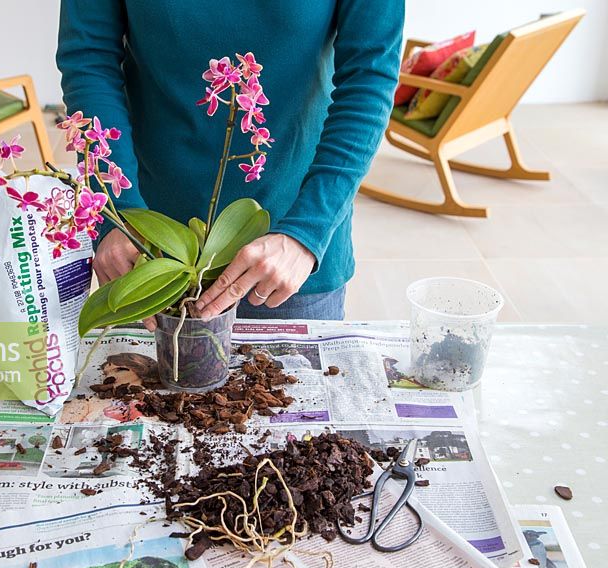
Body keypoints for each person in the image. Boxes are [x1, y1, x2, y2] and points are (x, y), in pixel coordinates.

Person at [58, 1, 403, 325]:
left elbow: (368, 79)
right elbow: (90, 60)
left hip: (288, 253)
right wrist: (118, 214)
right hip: (146, 248)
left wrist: (307, 231)